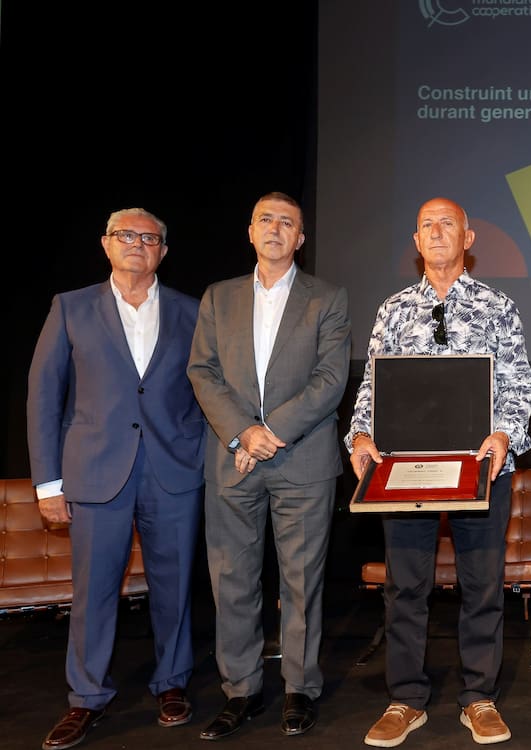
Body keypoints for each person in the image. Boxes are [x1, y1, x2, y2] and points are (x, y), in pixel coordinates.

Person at [346, 197, 531, 747]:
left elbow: (520, 384)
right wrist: (360, 436)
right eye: (426, 225)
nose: (435, 232)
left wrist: (504, 435)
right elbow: (372, 386)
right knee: (406, 587)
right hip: (405, 470)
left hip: (481, 468)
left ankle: (479, 697)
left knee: (482, 585)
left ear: (468, 239)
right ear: (415, 241)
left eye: (446, 223)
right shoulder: (393, 309)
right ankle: (406, 699)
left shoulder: (498, 306)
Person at [27, 207, 206, 750]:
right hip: (95, 472)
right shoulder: (70, 307)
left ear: (163, 252)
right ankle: (86, 697)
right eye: (125, 235)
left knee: (175, 587)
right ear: (106, 244)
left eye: (149, 238)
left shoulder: (192, 311)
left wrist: (202, 454)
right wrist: (48, 484)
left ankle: (172, 683)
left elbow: (209, 390)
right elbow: (43, 396)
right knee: (94, 590)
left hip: (173, 472)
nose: (137, 243)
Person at [187, 191, 351, 740]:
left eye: (287, 222)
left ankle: (300, 689)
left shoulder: (327, 298)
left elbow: (331, 379)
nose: (275, 228)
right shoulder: (219, 297)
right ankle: (241, 690)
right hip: (232, 458)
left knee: (301, 583)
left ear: (300, 238)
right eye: (265, 220)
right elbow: (202, 372)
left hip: (302, 459)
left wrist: (270, 432)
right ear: (250, 232)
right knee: (231, 579)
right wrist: (244, 431)